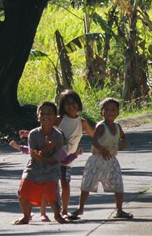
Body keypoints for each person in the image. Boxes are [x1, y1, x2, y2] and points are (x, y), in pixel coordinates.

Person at [69, 98, 133, 220]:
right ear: (101, 112)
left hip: (111, 160)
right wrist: (102, 149)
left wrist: (123, 143)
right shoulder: (101, 126)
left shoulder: (117, 126)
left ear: (118, 113)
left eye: (113, 109)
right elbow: (94, 140)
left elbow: (123, 137)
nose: (110, 112)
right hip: (97, 160)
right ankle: (80, 209)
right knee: (87, 184)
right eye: (107, 109)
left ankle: (119, 210)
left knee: (118, 185)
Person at [12, 101, 69, 225]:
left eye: (49, 113)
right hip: (34, 168)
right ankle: (26, 216)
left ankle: (57, 215)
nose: (45, 116)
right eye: (42, 113)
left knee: (52, 194)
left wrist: (42, 154)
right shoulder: (33, 134)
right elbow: (32, 154)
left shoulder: (58, 136)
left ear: (55, 117)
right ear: (38, 117)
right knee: (22, 191)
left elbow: (55, 159)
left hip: (51, 170)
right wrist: (46, 150)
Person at [10, 137, 84, 222]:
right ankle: (34, 214)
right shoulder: (40, 146)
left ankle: (54, 214)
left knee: (50, 195)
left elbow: (65, 160)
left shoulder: (59, 151)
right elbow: (30, 150)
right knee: (29, 192)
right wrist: (18, 147)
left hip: (50, 174)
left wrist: (75, 154)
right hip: (37, 172)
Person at [54, 89, 95, 218]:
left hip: (68, 160)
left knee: (65, 185)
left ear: (78, 104)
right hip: (52, 158)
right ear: (62, 106)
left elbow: (95, 135)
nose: (71, 106)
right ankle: (47, 212)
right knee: (51, 185)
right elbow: (44, 130)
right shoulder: (59, 119)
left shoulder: (82, 122)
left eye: (74, 103)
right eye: (67, 104)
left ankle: (64, 210)